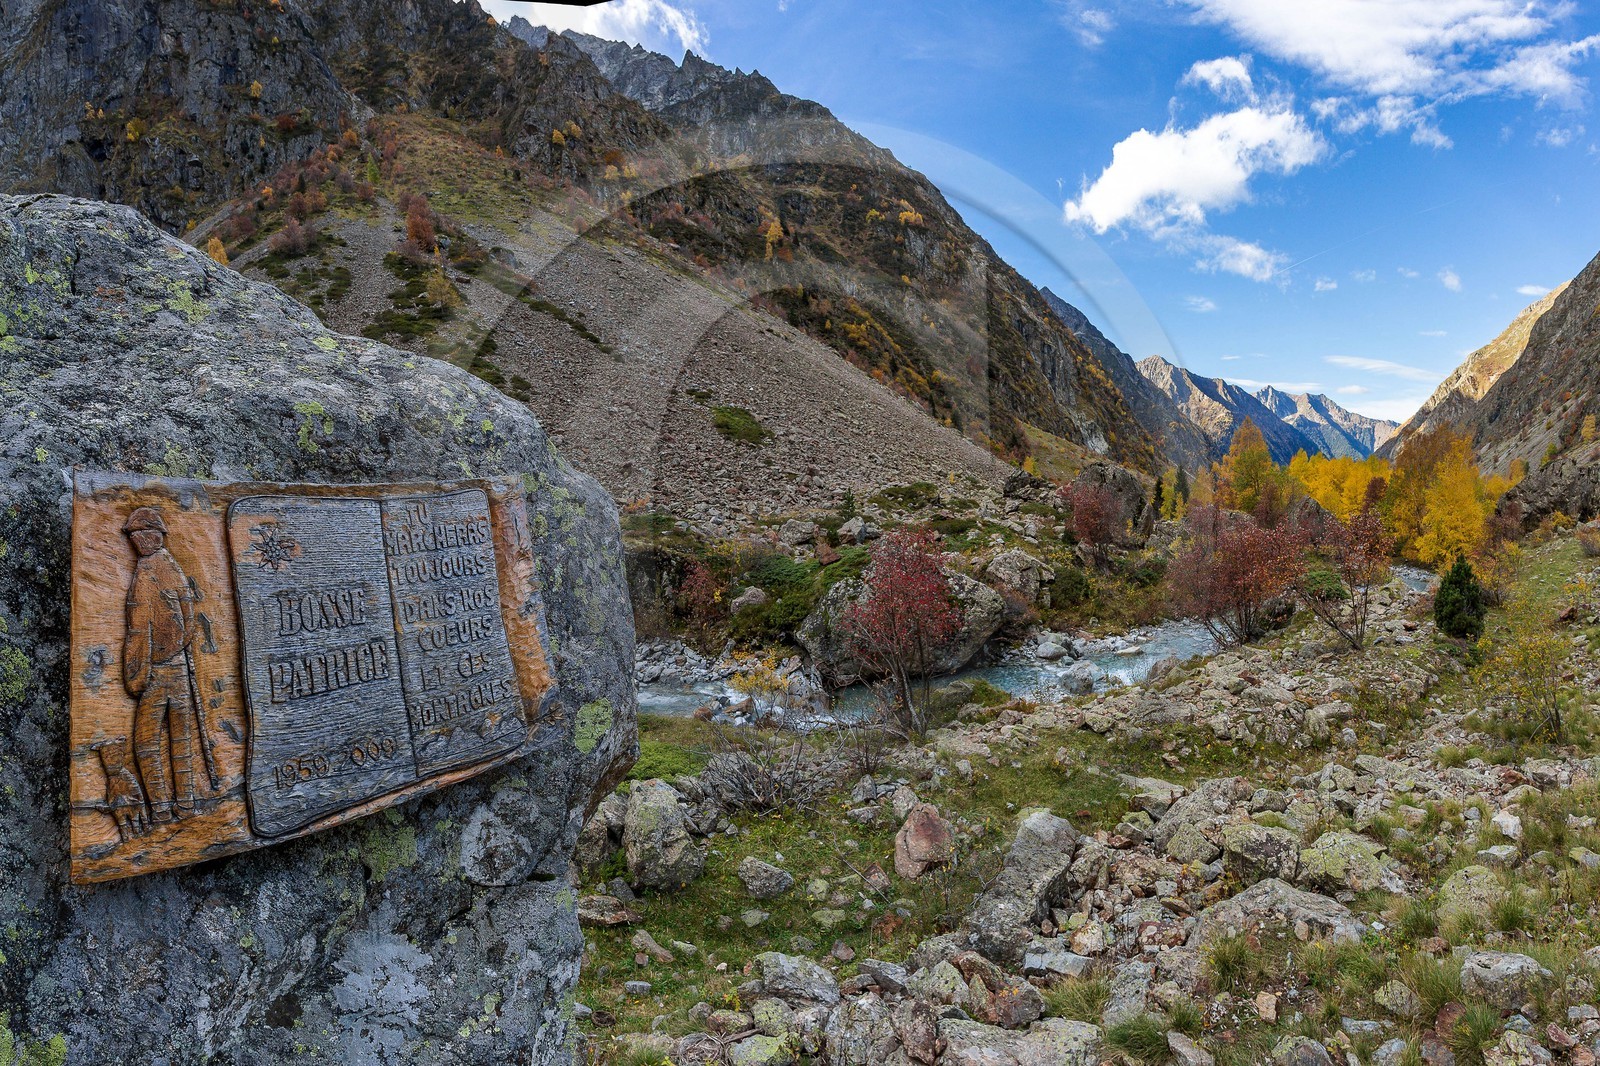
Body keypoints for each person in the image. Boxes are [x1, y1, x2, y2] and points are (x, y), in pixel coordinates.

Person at [123, 506, 212, 822]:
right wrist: (179, 645)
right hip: (179, 670)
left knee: (146, 743)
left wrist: (134, 675)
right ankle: (186, 804)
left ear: (147, 537)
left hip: (156, 671)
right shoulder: (173, 567)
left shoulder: (146, 573)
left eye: (135, 536)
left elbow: (138, 629)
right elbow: (189, 621)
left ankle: (160, 808)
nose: (133, 542)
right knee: (180, 740)